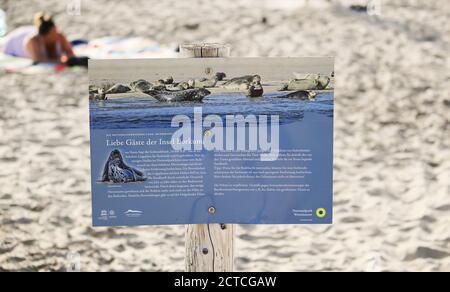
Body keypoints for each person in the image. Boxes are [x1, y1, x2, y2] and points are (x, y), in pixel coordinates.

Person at [1, 12, 87, 67]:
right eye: (53, 32)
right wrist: (63, 61)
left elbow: (70, 53)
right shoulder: (33, 41)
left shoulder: (59, 35)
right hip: (11, 42)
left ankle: (98, 94)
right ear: (44, 36)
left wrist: (71, 59)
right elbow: (39, 60)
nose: (56, 33)